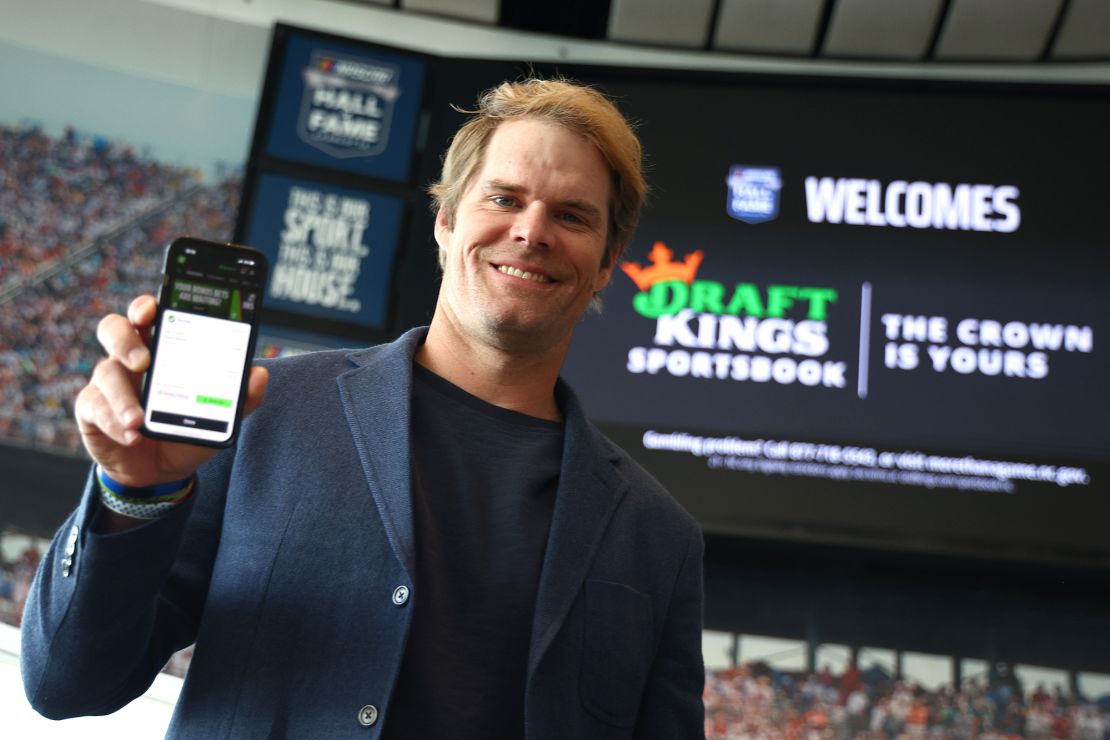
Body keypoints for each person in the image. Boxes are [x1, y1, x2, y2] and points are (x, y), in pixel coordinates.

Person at [20, 77, 705, 739]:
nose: (532, 231)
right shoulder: (264, 410)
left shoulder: (657, 541)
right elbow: (67, 684)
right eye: (503, 198)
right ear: (445, 220)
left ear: (609, 258)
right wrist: (135, 495)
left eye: (572, 215)